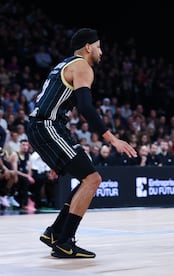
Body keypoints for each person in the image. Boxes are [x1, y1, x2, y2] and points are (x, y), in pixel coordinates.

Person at [26, 28, 137, 259]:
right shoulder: (82, 66)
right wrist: (113, 139)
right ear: (88, 47)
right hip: (47, 126)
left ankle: (55, 233)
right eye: (98, 47)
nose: (101, 52)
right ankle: (65, 242)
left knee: (87, 178)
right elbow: (86, 108)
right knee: (93, 179)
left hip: (45, 127)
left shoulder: (65, 64)